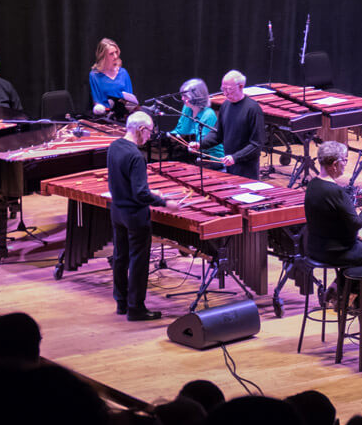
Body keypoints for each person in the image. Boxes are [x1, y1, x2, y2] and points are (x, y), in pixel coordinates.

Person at [107, 111, 184, 320]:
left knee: (120, 258)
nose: (150, 136)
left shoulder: (114, 147)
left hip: (117, 211)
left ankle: (121, 303)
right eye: (149, 132)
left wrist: (152, 192)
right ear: (141, 130)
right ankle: (136, 309)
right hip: (134, 215)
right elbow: (140, 193)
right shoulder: (135, 155)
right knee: (138, 262)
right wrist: (165, 202)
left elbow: (120, 182)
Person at [303, 140, 362, 270]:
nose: (345, 164)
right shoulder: (336, 191)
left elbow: (329, 222)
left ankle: (340, 288)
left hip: (314, 248)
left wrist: (356, 237)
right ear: (334, 164)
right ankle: (348, 289)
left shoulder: (312, 184)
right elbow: (356, 224)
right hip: (336, 252)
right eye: (344, 160)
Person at [189, 70, 265, 180]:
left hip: (247, 168)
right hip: (230, 165)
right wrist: (200, 144)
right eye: (223, 89)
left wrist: (236, 157)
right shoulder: (225, 105)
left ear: (241, 86)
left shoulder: (253, 109)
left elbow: (257, 144)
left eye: (229, 89)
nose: (226, 93)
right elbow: (218, 133)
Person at [168, 78, 224, 166]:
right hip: (192, 156)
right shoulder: (187, 108)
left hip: (211, 159)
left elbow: (204, 145)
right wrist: (166, 139)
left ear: (196, 97)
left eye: (185, 96)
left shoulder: (208, 115)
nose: (182, 99)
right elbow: (180, 131)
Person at [89, 38, 134, 117]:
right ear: (103, 56)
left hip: (123, 117)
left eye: (116, 52)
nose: (116, 56)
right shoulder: (94, 76)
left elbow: (130, 101)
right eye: (111, 54)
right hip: (104, 117)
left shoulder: (123, 73)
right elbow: (97, 102)